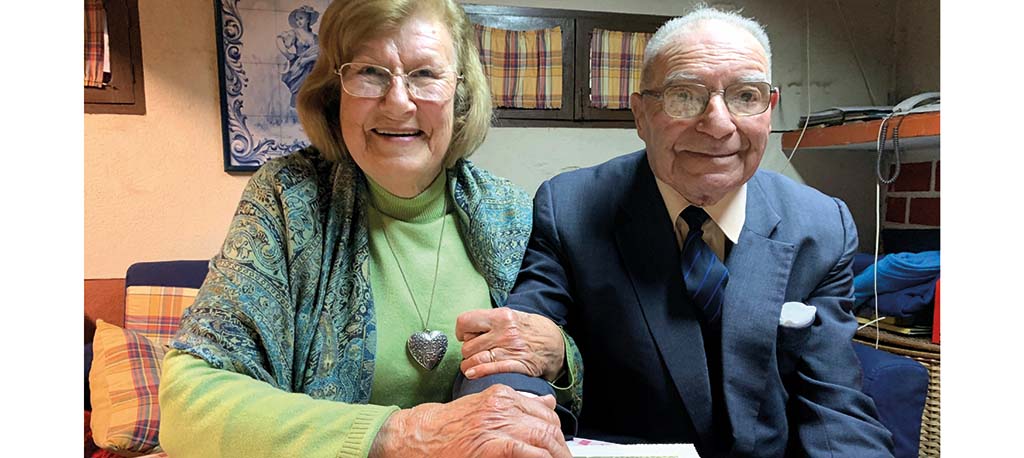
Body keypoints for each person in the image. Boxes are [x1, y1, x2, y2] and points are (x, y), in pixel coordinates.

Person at [456, 5, 895, 457]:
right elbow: (518, 348)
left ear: (769, 109)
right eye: (684, 95)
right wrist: (507, 426)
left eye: (746, 95)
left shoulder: (821, 226)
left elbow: (835, 405)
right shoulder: (570, 209)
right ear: (641, 115)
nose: (718, 124)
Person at [158, 0, 572, 456]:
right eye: (370, 73)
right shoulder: (287, 200)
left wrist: (561, 353)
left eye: (425, 74)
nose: (398, 102)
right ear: (334, 91)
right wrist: (404, 435)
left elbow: (567, 375)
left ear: (460, 94)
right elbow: (188, 403)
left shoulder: (512, 212)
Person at [277, 5, 321, 108]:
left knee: (312, 93)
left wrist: (308, 59)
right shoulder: (295, 33)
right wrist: (289, 56)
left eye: (301, 18)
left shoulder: (316, 38)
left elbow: (321, 54)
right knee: (298, 92)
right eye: (297, 19)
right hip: (300, 68)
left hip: (313, 68)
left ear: (308, 19)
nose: (298, 22)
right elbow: (279, 40)